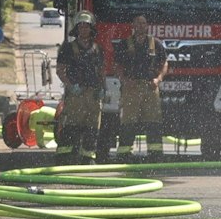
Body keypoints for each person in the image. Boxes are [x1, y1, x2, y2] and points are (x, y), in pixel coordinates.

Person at [113, 15, 168, 161]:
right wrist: (124, 80)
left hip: (150, 86)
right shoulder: (125, 44)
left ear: (147, 26)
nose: (141, 26)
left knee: (153, 121)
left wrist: (158, 79)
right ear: (133, 26)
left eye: (143, 23)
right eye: (138, 23)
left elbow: (164, 63)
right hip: (131, 87)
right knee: (128, 121)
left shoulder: (155, 43)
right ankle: (124, 153)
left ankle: (155, 153)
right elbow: (117, 65)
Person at [56, 12, 104, 162]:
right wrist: (71, 87)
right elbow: (60, 70)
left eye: (86, 26)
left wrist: (102, 88)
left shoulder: (97, 49)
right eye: (81, 26)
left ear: (91, 29)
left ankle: (88, 157)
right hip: (76, 95)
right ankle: (65, 156)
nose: (84, 29)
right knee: (72, 125)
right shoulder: (68, 48)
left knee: (92, 127)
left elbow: (101, 70)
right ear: (76, 29)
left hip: (93, 94)